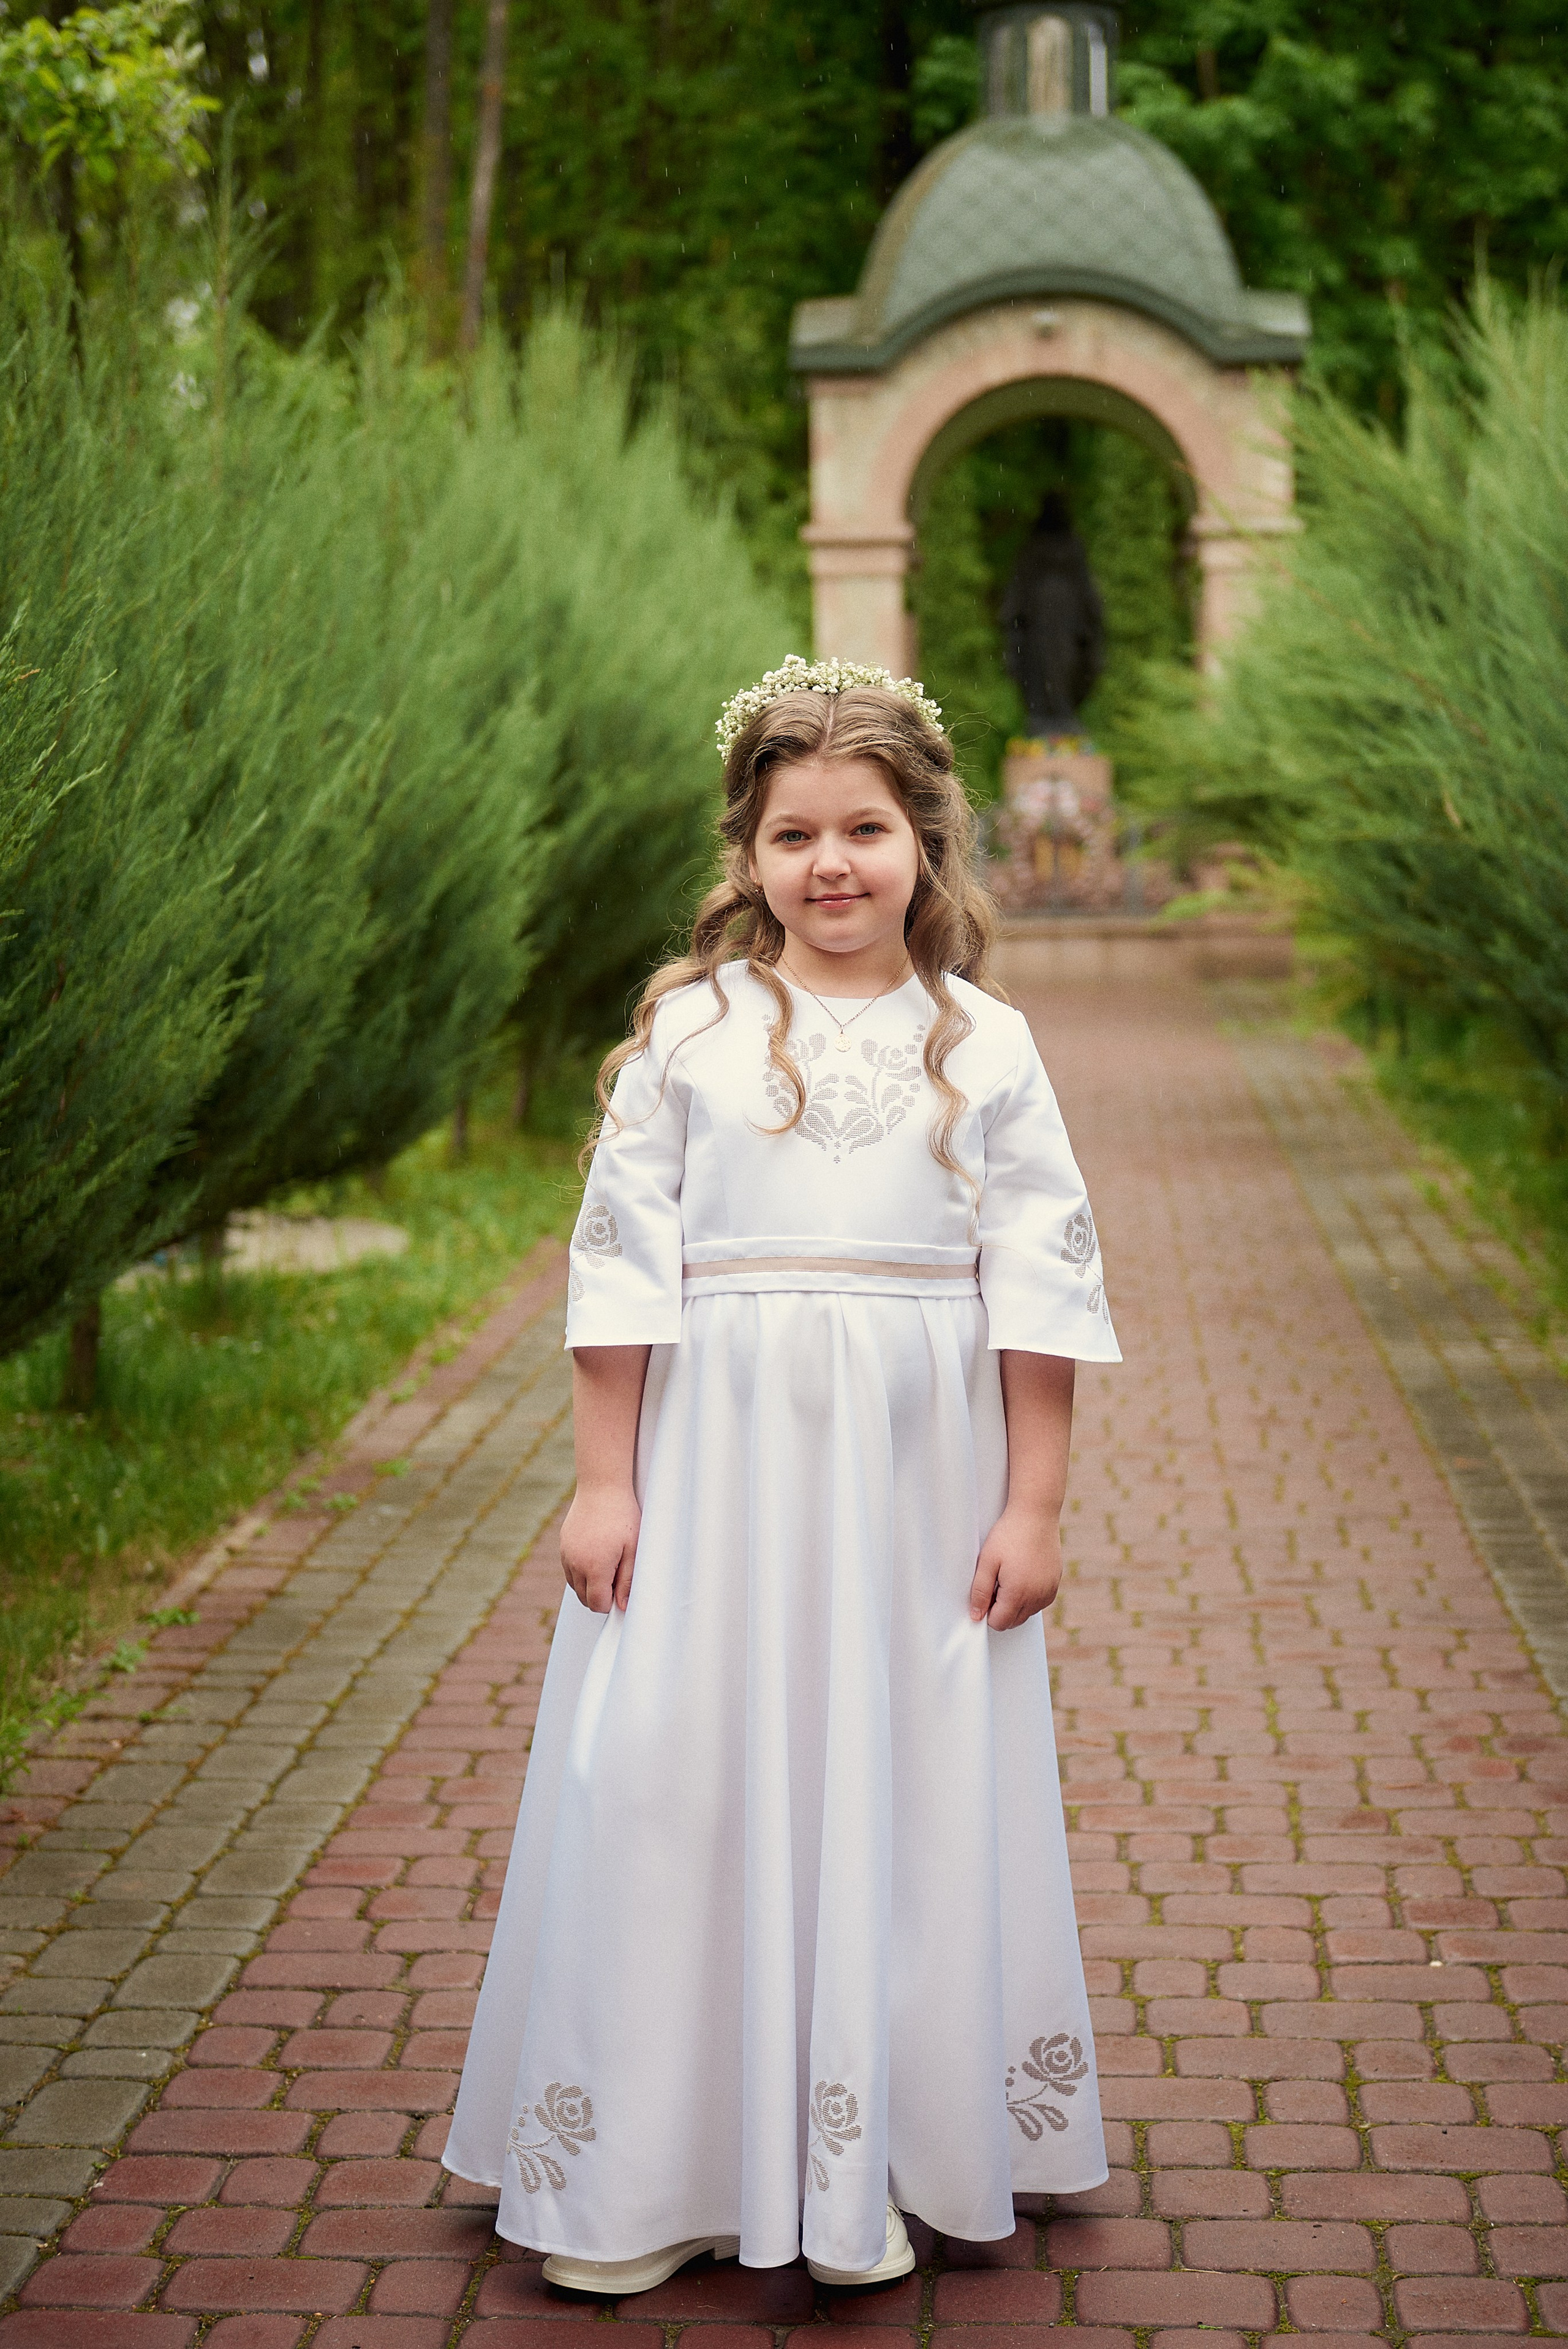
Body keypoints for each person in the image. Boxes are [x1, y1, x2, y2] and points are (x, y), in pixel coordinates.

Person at [442, 654, 1120, 2291]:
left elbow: (1041, 1290)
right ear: (746, 854)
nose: (831, 864)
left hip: (915, 1487)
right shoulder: (693, 1031)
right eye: (794, 833)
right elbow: (619, 1271)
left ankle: (879, 2153)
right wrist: (606, 1483)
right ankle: (647, 2170)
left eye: (864, 830)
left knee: (904, 1783)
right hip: (716, 1470)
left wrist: (1031, 1506)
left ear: (924, 842)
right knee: (671, 1772)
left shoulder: (985, 1043)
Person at [1000, 491, 1105, 735]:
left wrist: (1091, 619)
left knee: (1067, 664)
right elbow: (1020, 586)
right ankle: (1043, 714)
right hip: (1040, 622)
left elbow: (1085, 585)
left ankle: (1063, 712)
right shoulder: (1033, 546)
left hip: (1067, 621)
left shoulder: (1072, 545)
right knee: (1040, 665)